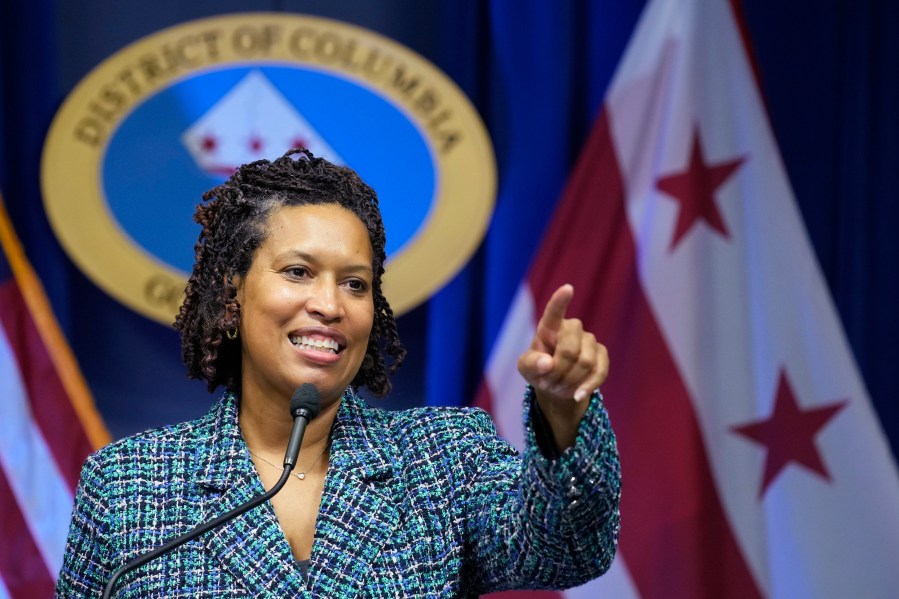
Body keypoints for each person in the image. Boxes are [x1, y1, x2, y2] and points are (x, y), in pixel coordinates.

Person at [55, 149, 621, 597]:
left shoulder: (442, 460)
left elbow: (566, 548)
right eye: (299, 272)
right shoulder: (129, 486)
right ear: (233, 293)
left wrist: (562, 411)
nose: (331, 304)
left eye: (355, 283)